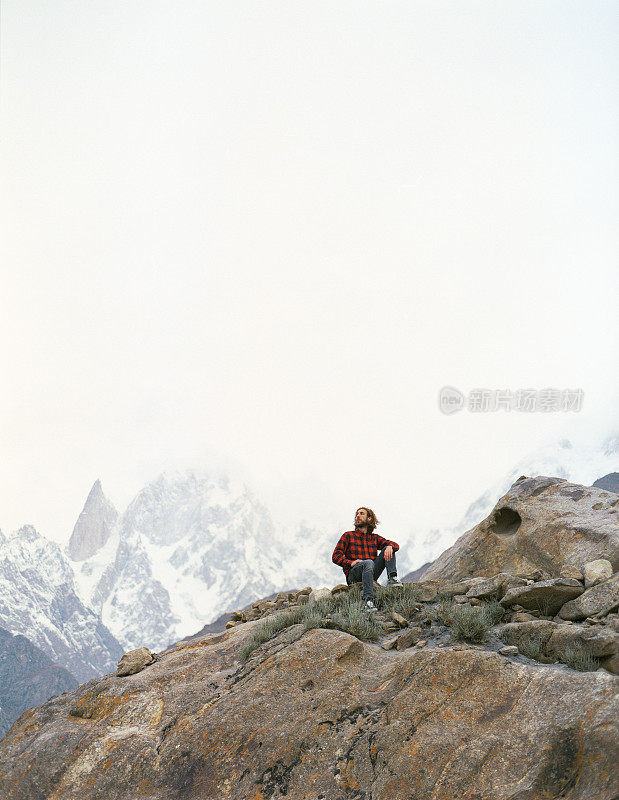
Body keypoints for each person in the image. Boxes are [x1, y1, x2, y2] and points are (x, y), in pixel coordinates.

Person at [332, 507, 403, 613]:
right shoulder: (348, 536)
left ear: (369, 519)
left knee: (388, 548)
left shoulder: (374, 538)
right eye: (356, 514)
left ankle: (392, 578)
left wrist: (390, 547)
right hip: (354, 575)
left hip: (371, 574)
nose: (357, 516)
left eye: (361, 514)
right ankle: (367, 601)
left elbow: (395, 545)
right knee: (368, 562)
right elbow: (335, 556)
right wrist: (350, 562)